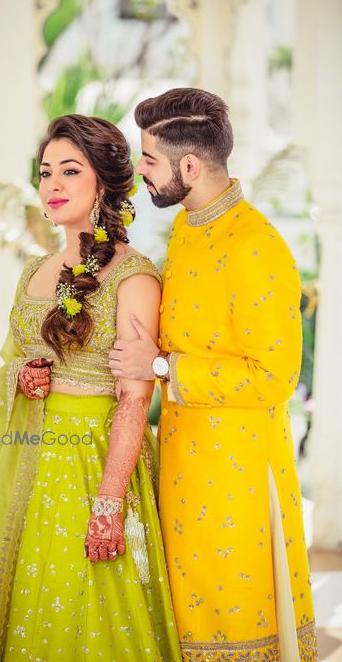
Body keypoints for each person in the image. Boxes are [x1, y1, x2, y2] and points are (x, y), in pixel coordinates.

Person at [0, 115, 182, 661]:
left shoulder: (133, 277)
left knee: (82, 610)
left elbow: (136, 398)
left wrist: (109, 505)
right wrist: (24, 377)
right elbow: (15, 360)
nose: (53, 185)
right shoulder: (35, 271)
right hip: (26, 464)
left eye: (71, 171)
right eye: (46, 172)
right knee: (18, 604)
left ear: (106, 184)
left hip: (94, 465)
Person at [109, 88, 317, 660]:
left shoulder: (256, 246)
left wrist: (159, 365)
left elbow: (273, 377)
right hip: (183, 464)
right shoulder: (189, 227)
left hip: (238, 482)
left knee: (237, 633)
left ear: (190, 166)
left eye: (149, 160)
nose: (141, 173)